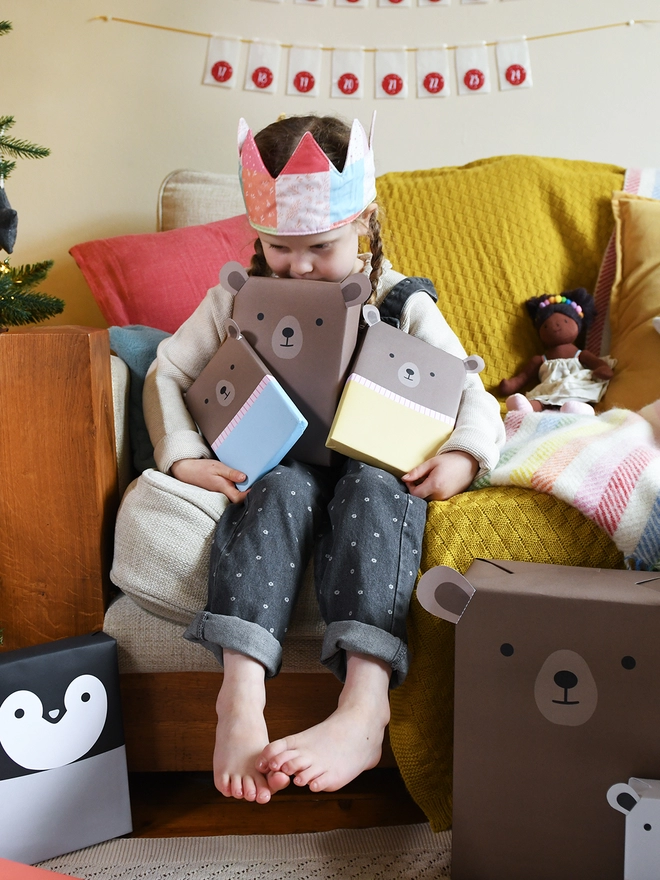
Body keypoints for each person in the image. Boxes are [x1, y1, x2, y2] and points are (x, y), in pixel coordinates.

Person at [143, 113, 504, 805]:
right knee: (273, 490)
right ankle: (240, 697)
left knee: (377, 490)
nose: (299, 266)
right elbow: (166, 370)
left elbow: (469, 388)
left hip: (373, 465)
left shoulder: (399, 299)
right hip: (281, 461)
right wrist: (184, 456)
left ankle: (364, 708)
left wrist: (464, 454)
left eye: (321, 247)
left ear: (362, 223)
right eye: (279, 248)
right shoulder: (235, 296)